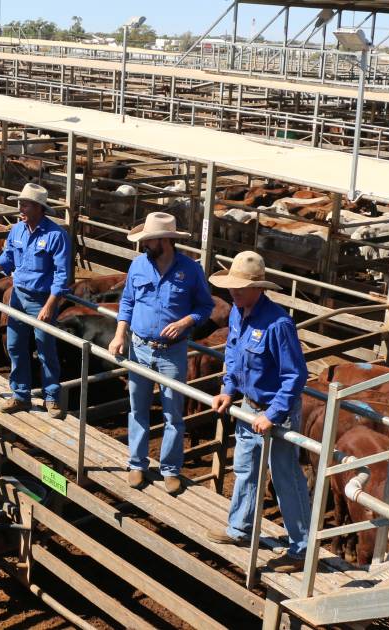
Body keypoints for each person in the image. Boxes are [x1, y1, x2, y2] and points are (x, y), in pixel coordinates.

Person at [205, 251, 310, 574]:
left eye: (239, 287)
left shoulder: (278, 324)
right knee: (245, 467)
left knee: (284, 476)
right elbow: (234, 357)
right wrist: (227, 389)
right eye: (231, 286)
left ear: (258, 288)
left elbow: (295, 375)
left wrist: (274, 413)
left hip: (275, 412)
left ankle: (302, 547)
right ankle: (240, 528)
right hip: (249, 406)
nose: (233, 292)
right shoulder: (238, 313)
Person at [108, 212, 215, 494]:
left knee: (173, 413)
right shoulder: (138, 266)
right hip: (140, 346)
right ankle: (137, 463)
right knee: (138, 408)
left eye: (149, 239)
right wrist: (120, 334)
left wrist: (185, 322)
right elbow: (128, 302)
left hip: (172, 352)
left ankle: (170, 469)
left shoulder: (191, 270)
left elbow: (205, 308)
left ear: (165, 240)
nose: (145, 244)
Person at [0, 183, 71, 419]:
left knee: (45, 348)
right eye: (20, 203)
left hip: (42, 299)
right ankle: (20, 395)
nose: (20, 207)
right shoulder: (17, 230)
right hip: (18, 295)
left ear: (40, 208)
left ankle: (51, 397)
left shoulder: (56, 236)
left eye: (25, 204)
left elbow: (62, 275)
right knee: (14, 345)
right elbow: (8, 258)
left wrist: (50, 305)